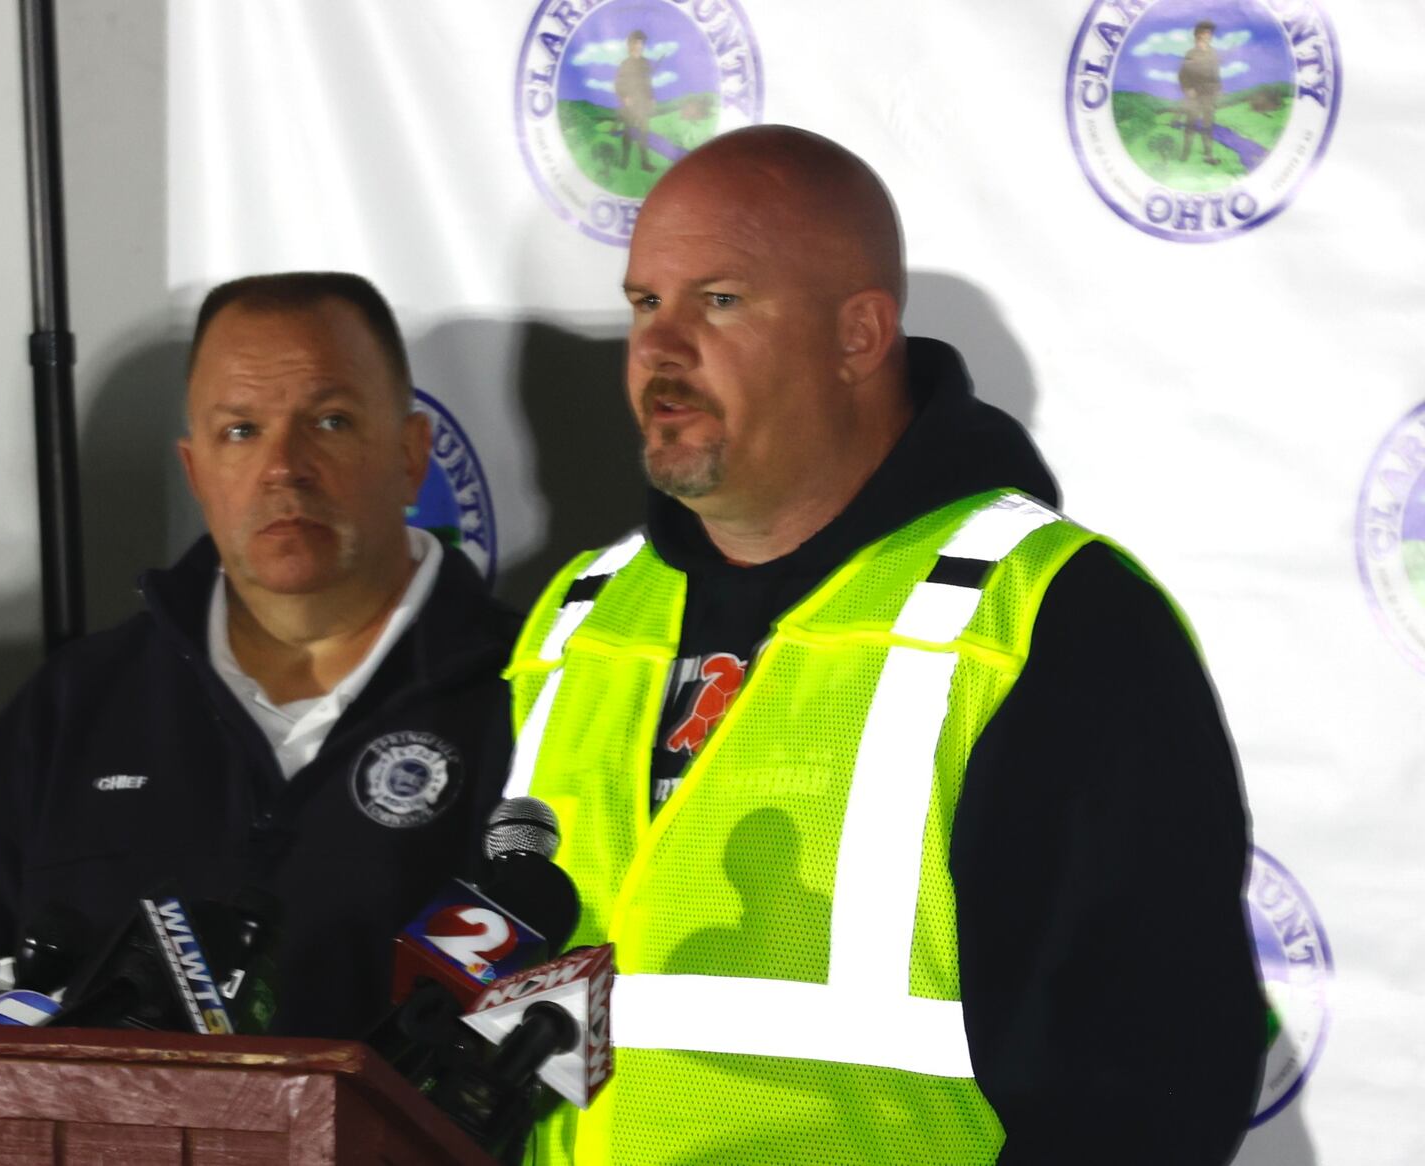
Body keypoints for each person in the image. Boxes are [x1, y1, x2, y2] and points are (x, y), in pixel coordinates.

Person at [502, 127, 1263, 1163]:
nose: (658, 350)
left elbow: (1149, 1085)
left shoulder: (1053, 619)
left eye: (717, 301)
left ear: (858, 336)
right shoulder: (575, 616)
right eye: (645, 303)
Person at [0, 272, 519, 1038]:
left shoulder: (533, 695)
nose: (283, 465)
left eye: (329, 421)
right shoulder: (69, 714)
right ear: (195, 472)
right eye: (240, 431)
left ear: (410, 453)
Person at [1179, 20, 1222, 165]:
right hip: (1194, 96)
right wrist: (1188, 89)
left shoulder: (1214, 53)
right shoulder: (1191, 54)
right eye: (1205, 33)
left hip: (1209, 96)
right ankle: (1184, 156)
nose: (1208, 36)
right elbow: (1183, 75)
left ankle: (1208, 157)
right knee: (1190, 125)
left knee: (1208, 127)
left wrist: (1217, 91)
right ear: (1198, 35)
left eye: (1210, 33)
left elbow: (1216, 75)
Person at [615, 30, 657, 174]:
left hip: (643, 104)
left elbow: (648, 83)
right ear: (630, 45)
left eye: (641, 43)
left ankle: (644, 163)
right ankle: (624, 161)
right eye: (636, 43)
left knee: (644, 134)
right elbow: (618, 84)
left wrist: (651, 98)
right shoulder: (625, 64)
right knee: (627, 133)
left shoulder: (646, 63)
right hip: (630, 105)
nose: (639, 46)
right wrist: (625, 96)